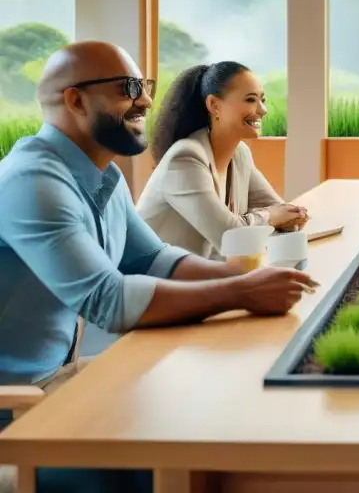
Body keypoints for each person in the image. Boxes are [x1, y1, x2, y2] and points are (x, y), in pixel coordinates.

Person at [0, 42, 318, 493]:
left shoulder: (103, 176)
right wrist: (243, 292)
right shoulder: (34, 182)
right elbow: (107, 301)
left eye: (144, 86)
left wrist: (252, 278)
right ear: (75, 100)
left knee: (214, 411)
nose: (147, 100)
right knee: (176, 458)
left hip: (58, 382)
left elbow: (156, 260)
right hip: (16, 411)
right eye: (129, 88)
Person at [136, 62, 308, 259]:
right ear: (214, 106)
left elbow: (284, 213)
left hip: (201, 279)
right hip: (155, 281)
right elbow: (230, 238)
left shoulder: (239, 154)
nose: (263, 110)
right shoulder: (184, 159)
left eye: (262, 100)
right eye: (251, 100)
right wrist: (270, 217)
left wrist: (285, 216)